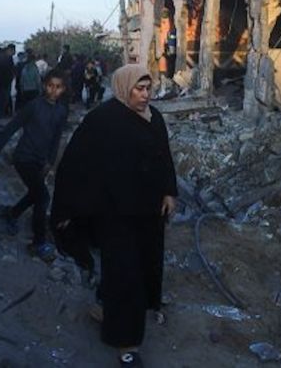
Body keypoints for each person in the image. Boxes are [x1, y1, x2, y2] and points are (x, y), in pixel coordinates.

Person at [51, 65, 178, 367]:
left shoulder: (154, 118)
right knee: (126, 276)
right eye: (139, 89)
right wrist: (67, 207)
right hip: (114, 214)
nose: (146, 95)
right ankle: (126, 344)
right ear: (124, 88)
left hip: (148, 214)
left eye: (148, 88)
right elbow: (75, 163)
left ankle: (108, 310)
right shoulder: (102, 119)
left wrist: (169, 192)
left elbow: (164, 157)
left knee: (142, 269)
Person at [0, 71, 69, 260]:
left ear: (63, 89)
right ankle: (38, 243)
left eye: (58, 87)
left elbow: (56, 138)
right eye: (50, 85)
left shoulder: (61, 111)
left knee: (35, 193)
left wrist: (50, 161)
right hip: (23, 158)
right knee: (42, 197)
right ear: (44, 85)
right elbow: (12, 126)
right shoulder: (34, 106)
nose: (53, 90)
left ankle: (11, 213)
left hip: (41, 160)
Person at [0, 44, 16, 117]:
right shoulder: (5, 58)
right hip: (3, 83)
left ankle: (0, 114)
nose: (14, 52)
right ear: (10, 50)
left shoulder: (7, 58)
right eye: (13, 50)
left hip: (5, 82)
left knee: (3, 99)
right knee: (2, 99)